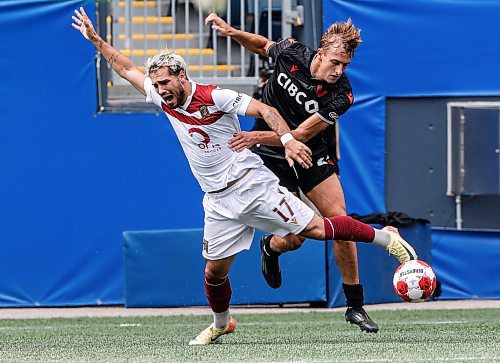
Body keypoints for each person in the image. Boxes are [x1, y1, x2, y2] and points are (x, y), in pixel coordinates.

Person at [72, 7, 417, 345]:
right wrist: (96, 39)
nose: (160, 89)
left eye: (165, 82)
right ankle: (222, 324)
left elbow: (267, 111)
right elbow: (126, 67)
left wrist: (283, 139)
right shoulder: (163, 97)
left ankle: (387, 243)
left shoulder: (215, 96)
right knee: (213, 273)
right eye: (157, 84)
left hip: (254, 182)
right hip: (218, 200)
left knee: (318, 226)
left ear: (182, 75)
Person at [204, 14, 379, 333]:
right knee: (296, 238)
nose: (339, 71)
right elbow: (261, 44)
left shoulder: (343, 95)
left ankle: (354, 305)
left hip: (311, 151)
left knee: (339, 218)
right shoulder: (293, 52)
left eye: (345, 65)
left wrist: (255, 135)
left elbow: (298, 135)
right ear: (321, 53)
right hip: (271, 157)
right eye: (336, 62)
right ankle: (271, 247)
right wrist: (231, 32)